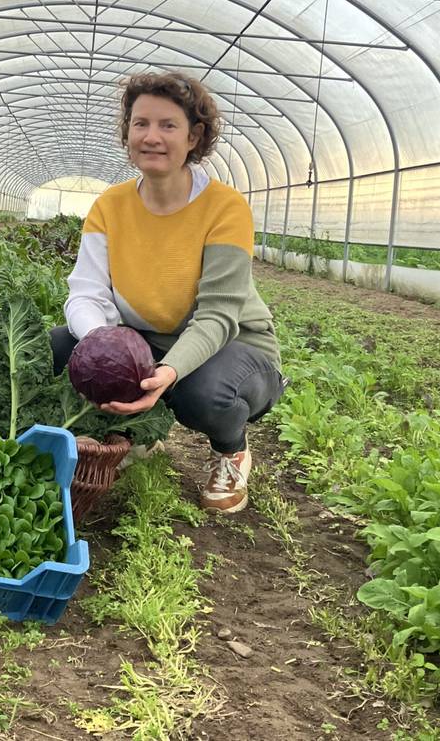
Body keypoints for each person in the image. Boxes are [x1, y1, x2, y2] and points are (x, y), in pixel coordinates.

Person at [50, 71, 285, 514]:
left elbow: (217, 315)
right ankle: (135, 433)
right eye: (140, 124)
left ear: (195, 136)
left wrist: (170, 371)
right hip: (146, 338)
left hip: (234, 345)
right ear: (127, 133)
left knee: (203, 393)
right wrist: (105, 347)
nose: (151, 136)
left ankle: (231, 451)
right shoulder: (110, 206)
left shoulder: (224, 208)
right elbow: (85, 292)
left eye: (168, 125)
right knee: (59, 348)